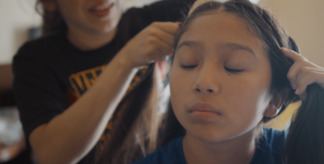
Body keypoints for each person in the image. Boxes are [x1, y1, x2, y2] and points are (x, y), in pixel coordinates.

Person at [133, 1, 324, 163]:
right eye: (189, 63)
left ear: (275, 99)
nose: (203, 82)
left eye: (233, 67)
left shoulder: (301, 156)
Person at [12, 0, 212, 163]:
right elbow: (51, 156)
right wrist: (126, 61)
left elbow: (217, 7)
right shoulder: (36, 59)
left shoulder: (150, 18)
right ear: (49, 3)